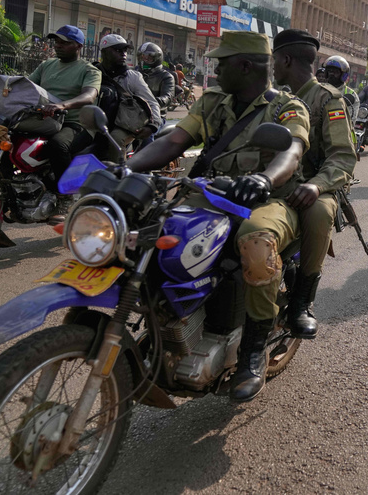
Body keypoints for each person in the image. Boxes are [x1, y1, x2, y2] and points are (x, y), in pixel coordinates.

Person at [127, 31, 309, 402]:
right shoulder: (211, 101)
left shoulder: (288, 108)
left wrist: (263, 178)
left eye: (221, 63)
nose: (214, 68)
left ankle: (252, 353)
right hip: (211, 193)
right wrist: (126, 168)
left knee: (257, 242)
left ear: (244, 66)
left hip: (269, 200)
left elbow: (290, 152)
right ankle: (169, 318)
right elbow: (175, 141)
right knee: (146, 232)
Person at [272, 30, 357, 339]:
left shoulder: (327, 99)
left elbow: (343, 157)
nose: (272, 66)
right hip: (275, 181)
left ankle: (301, 302)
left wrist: (317, 186)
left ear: (286, 59)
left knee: (318, 214)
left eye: (274, 60)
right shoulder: (274, 96)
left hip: (312, 185)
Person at [28, 25, 102, 190]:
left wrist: (61, 105)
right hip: (45, 119)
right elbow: (26, 86)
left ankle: (66, 195)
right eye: (56, 41)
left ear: (79, 46)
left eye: (64, 42)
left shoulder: (90, 70)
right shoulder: (47, 65)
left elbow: (89, 96)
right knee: (7, 137)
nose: (58, 45)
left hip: (75, 123)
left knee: (58, 145)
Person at [83, 33, 161, 162]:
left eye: (125, 50)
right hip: (94, 123)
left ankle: (119, 176)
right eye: (117, 50)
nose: (123, 54)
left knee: (116, 140)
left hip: (123, 124)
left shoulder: (133, 77)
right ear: (104, 52)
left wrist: (152, 126)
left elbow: (152, 103)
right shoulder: (92, 73)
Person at [322, 55, 359, 125]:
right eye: (329, 71)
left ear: (343, 75)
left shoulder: (351, 95)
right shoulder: (319, 90)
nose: (331, 74)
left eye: (336, 72)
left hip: (340, 131)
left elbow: (350, 120)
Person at [139, 42, 176, 110]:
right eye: (142, 58)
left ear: (157, 59)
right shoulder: (135, 73)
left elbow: (167, 97)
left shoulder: (166, 76)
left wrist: (149, 103)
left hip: (156, 114)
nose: (144, 61)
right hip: (134, 113)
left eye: (148, 59)